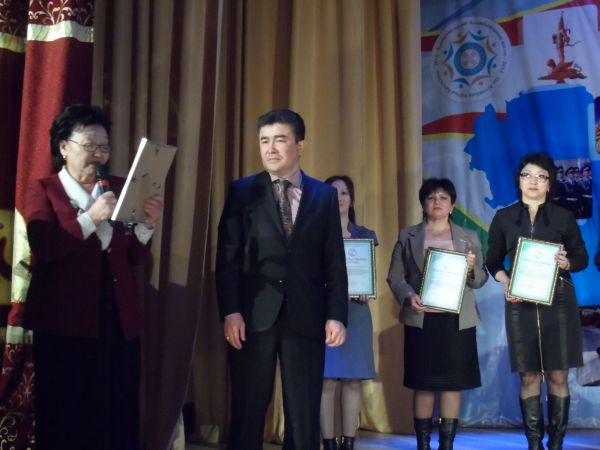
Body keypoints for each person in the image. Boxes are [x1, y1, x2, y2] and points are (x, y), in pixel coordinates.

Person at [23, 104, 163, 450]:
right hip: (64, 319)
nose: (99, 154)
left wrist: (146, 227)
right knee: (68, 407)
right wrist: (90, 218)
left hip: (117, 313)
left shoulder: (117, 187)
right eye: (90, 146)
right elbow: (46, 248)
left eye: (104, 147)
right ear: (64, 147)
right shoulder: (44, 189)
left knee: (118, 403)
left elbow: (132, 259)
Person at [216, 108, 349, 450]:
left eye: (279, 140)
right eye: (264, 141)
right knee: (248, 410)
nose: (270, 148)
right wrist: (231, 311)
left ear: (300, 145)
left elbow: (335, 263)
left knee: (303, 415)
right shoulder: (242, 192)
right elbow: (227, 259)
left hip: (306, 317)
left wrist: (336, 315)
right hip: (252, 317)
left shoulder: (323, 196)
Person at [486, 152, 587, 450]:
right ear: (519, 180)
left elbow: (581, 256)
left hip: (559, 301)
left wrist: (568, 262)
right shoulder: (504, 218)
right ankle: (534, 443)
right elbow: (492, 261)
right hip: (520, 302)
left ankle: (555, 443)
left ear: (549, 183)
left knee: (558, 373)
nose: (533, 181)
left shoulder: (563, 216)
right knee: (529, 374)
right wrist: (507, 282)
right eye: (527, 175)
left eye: (541, 176)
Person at [387, 178, 488, 450]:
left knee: (452, 385)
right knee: (423, 383)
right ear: (423, 204)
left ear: (452, 205)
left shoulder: (469, 237)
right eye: (431, 197)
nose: (437, 202)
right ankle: (423, 444)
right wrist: (409, 295)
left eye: (443, 198)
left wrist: (471, 268)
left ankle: (446, 445)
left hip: (457, 321)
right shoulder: (408, 235)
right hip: (422, 318)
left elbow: (480, 279)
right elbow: (395, 276)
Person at [320, 175, 377, 450]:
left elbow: (368, 274)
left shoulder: (365, 235)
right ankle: (329, 442)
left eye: (344, 192)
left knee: (353, 380)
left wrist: (366, 288)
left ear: (351, 199)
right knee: (327, 380)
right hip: (326, 312)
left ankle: (348, 443)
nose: (339, 197)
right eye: (333, 193)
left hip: (357, 311)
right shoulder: (315, 234)